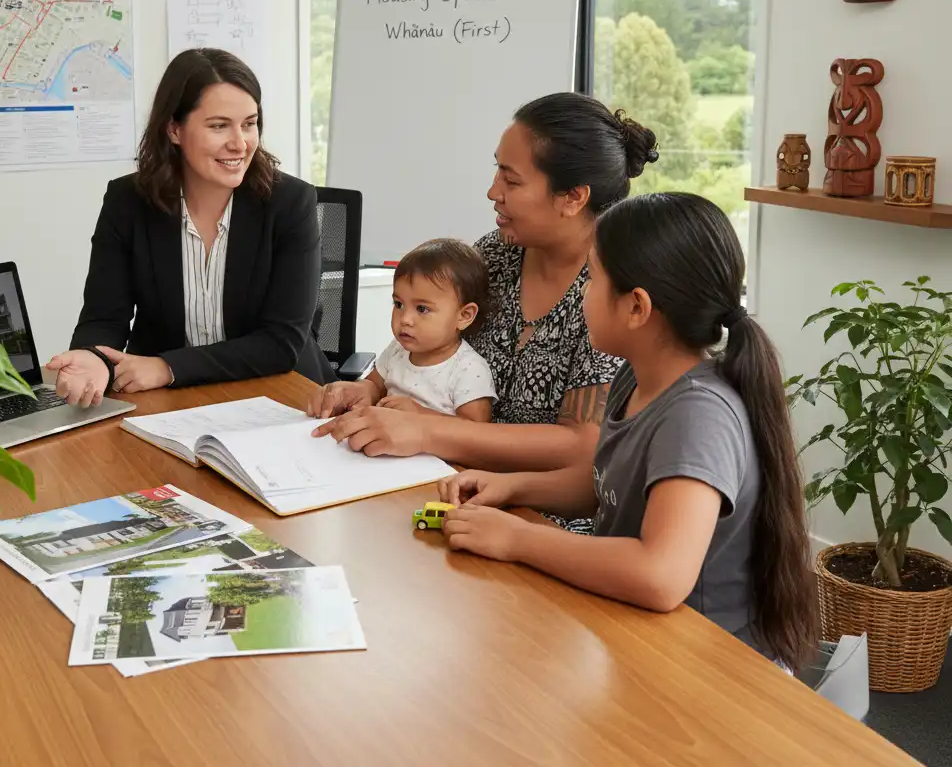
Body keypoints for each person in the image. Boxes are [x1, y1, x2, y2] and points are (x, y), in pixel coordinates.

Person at [436, 192, 818, 671]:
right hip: (642, 637)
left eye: (592, 279)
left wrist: (517, 538)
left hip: (709, 667)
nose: (581, 295)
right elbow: (606, 484)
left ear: (637, 307)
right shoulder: (636, 377)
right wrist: (512, 486)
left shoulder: (699, 415)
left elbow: (660, 575)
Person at [309, 94, 658, 531]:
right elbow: (433, 341)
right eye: (497, 171)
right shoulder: (495, 254)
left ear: (572, 197)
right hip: (447, 487)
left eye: (511, 181)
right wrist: (371, 389)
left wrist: (428, 430)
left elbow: (579, 447)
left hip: (542, 522)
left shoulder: (610, 292)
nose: (493, 191)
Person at [48, 48, 332, 406]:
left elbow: (280, 342)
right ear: (174, 129)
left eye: (249, 123)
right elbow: (104, 316)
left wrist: (168, 367)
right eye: (218, 126)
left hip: (278, 394)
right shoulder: (128, 202)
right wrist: (92, 358)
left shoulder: (290, 203)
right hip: (170, 402)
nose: (239, 143)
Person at [326, 239, 496, 425]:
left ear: (464, 316)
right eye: (398, 304)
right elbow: (374, 384)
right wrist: (356, 391)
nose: (405, 319)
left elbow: (475, 431)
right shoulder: (398, 350)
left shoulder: (468, 369)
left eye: (422, 309)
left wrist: (420, 415)